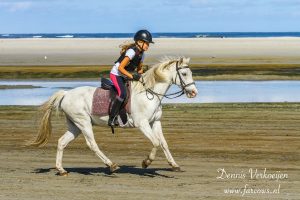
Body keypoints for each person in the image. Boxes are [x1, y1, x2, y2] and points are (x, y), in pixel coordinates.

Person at [108, 29, 154, 126]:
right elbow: (120, 68)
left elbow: (139, 69)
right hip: (116, 74)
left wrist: (143, 73)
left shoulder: (142, 54)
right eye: (146, 44)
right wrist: (132, 76)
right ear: (139, 42)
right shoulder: (131, 52)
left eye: (148, 44)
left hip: (126, 75)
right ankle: (112, 118)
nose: (148, 46)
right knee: (123, 93)